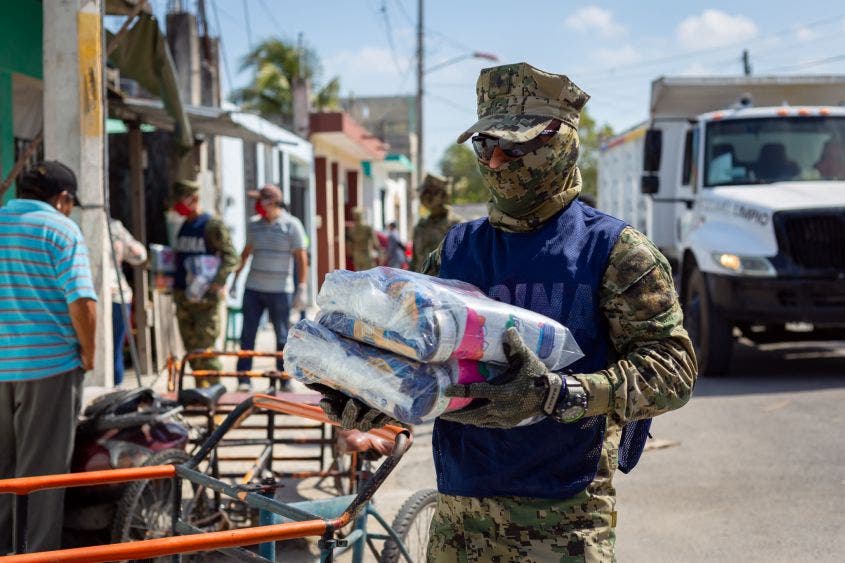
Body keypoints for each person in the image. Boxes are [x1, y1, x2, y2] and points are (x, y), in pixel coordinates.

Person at [309, 63, 698, 561]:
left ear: (561, 142)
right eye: (484, 146)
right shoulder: (455, 251)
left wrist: (560, 394)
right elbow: (416, 357)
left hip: (563, 519)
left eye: (515, 147)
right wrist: (371, 395)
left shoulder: (615, 251)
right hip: (459, 514)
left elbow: (672, 371)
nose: (495, 163)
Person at [0, 161, 97, 552]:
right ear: (63, 199)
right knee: (41, 474)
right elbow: (81, 302)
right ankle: (37, 556)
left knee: (3, 471)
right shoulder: (59, 229)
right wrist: (89, 354)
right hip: (48, 367)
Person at [231, 184, 308, 392]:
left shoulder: (292, 225)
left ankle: (283, 378)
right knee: (247, 334)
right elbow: (246, 253)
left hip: (280, 290)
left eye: (261, 200)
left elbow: (301, 258)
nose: (257, 205)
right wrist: (235, 280)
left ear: (272, 202)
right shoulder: (254, 225)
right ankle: (244, 377)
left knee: (282, 336)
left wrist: (301, 286)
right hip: (254, 289)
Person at [171, 178, 238, 387]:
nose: (178, 206)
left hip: (205, 301)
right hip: (185, 298)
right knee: (191, 350)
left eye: (182, 200)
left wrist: (217, 283)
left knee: (206, 350)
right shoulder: (184, 226)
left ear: (195, 198)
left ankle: (214, 396)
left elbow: (231, 257)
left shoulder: (211, 225)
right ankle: (201, 392)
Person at [109, 218, 147, 387]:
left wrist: (129, 247)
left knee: (114, 350)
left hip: (116, 295)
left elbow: (139, 255)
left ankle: (116, 391)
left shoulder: (115, 227)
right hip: (90, 296)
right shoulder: (75, 221)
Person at [409, 173, 462, 272]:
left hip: (445, 285)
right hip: (420, 284)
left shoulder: (457, 226)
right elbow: (414, 261)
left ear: (442, 195)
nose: (425, 197)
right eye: (425, 193)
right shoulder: (421, 227)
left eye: (430, 193)